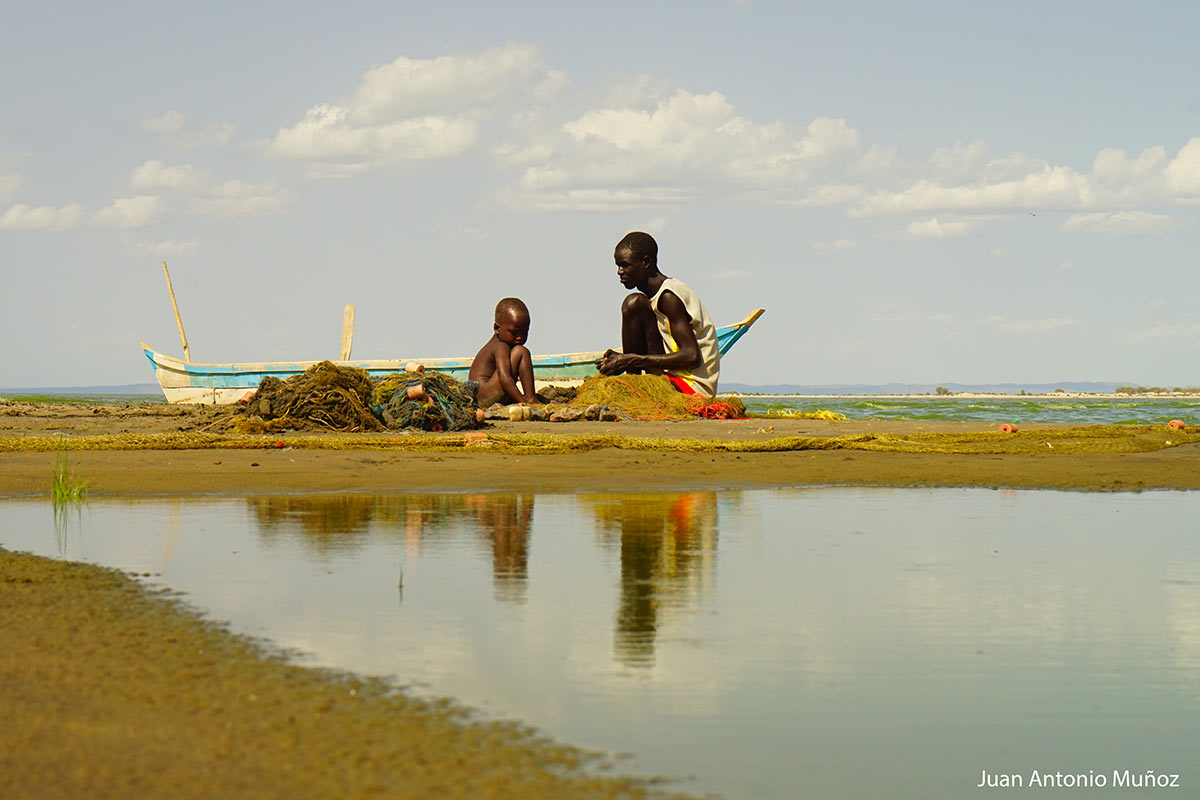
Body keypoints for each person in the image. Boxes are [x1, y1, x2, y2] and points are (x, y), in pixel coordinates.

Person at [596, 231, 720, 396]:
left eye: (625, 265)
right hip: (670, 376)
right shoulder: (650, 299)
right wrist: (622, 360)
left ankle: (633, 387)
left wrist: (632, 359)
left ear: (646, 262)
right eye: (618, 266)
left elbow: (691, 356)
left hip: (691, 387)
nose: (620, 271)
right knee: (634, 304)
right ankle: (633, 381)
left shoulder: (669, 296)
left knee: (632, 302)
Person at [469, 297, 537, 407]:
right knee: (521, 351)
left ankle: (530, 398)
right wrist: (522, 402)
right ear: (497, 328)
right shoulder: (500, 347)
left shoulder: (502, 345)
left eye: (525, 332)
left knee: (518, 350)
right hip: (484, 397)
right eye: (514, 332)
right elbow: (505, 378)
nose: (520, 337)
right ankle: (531, 399)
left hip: (483, 396)